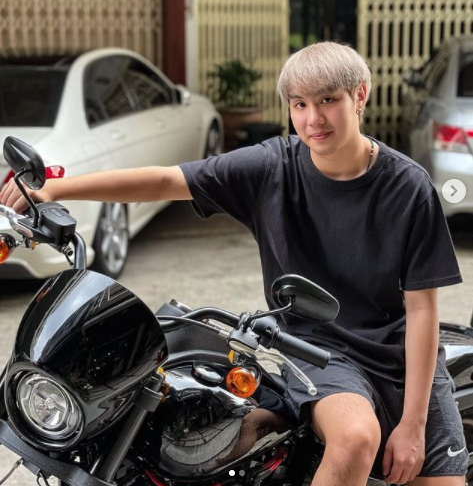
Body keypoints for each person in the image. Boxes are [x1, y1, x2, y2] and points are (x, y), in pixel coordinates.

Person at [0, 42, 467, 486]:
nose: (313, 119)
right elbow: (166, 180)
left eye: (328, 100)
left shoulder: (408, 186)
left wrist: (413, 424)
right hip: (319, 351)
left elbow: (421, 309)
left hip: (404, 358)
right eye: (299, 104)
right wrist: (57, 189)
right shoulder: (272, 168)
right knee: (356, 437)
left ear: (360, 95)